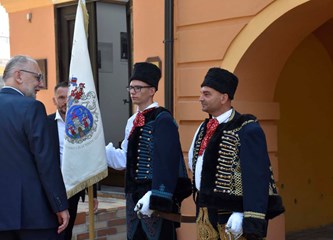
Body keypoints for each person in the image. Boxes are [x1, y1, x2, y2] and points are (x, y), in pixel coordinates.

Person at [188, 68, 285, 240]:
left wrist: (244, 213)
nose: (200, 98)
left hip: (232, 215)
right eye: (201, 93)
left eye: (207, 94)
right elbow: (193, 164)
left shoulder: (247, 128)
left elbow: (257, 177)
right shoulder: (204, 128)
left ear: (224, 98)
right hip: (205, 213)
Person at [106, 62, 191, 240]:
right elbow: (125, 159)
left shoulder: (163, 118)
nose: (132, 91)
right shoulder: (132, 121)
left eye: (138, 87)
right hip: (133, 198)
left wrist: (156, 195)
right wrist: (99, 150)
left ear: (152, 90)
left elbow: (167, 162)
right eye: (130, 87)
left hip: (155, 197)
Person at [0, 55, 70, 239]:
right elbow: (46, 162)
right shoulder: (32, 107)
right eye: (38, 77)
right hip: (33, 214)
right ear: (19, 76)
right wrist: (60, 205)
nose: (40, 84)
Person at [48, 81, 99, 240]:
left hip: (73, 187)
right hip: (51, 188)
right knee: (52, 230)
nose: (65, 101)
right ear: (54, 100)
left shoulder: (83, 124)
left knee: (67, 231)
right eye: (61, 97)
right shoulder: (45, 123)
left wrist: (93, 193)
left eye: (68, 97)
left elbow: (89, 157)